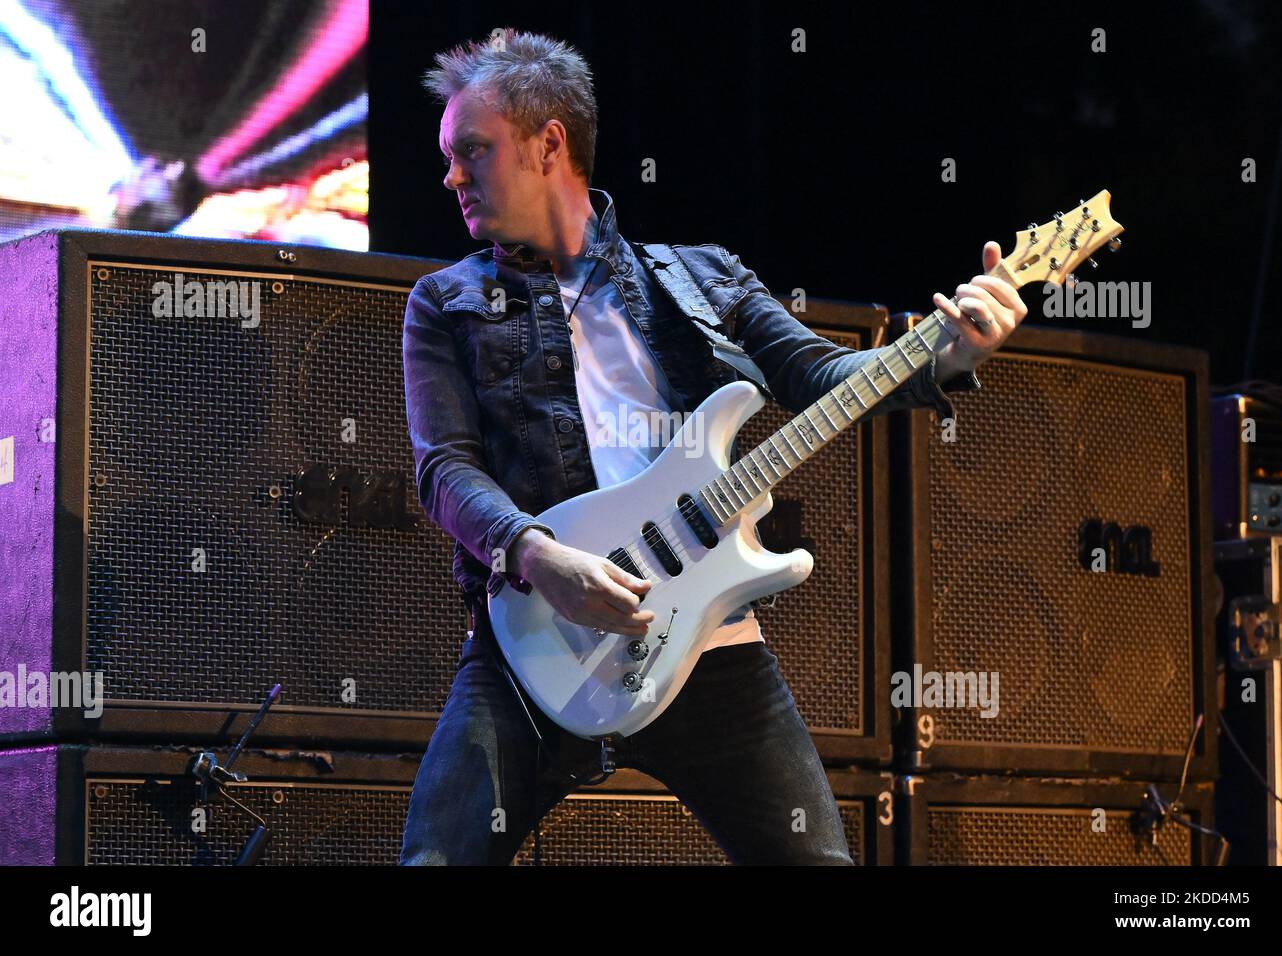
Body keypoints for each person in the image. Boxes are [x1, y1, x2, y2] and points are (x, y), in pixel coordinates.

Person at [399, 29, 1026, 865]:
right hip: (534, 639)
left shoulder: (701, 274)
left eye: (471, 150)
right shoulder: (446, 302)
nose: (450, 175)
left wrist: (951, 355)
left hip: (709, 646)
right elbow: (444, 470)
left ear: (550, 143)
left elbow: (825, 376)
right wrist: (537, 554)